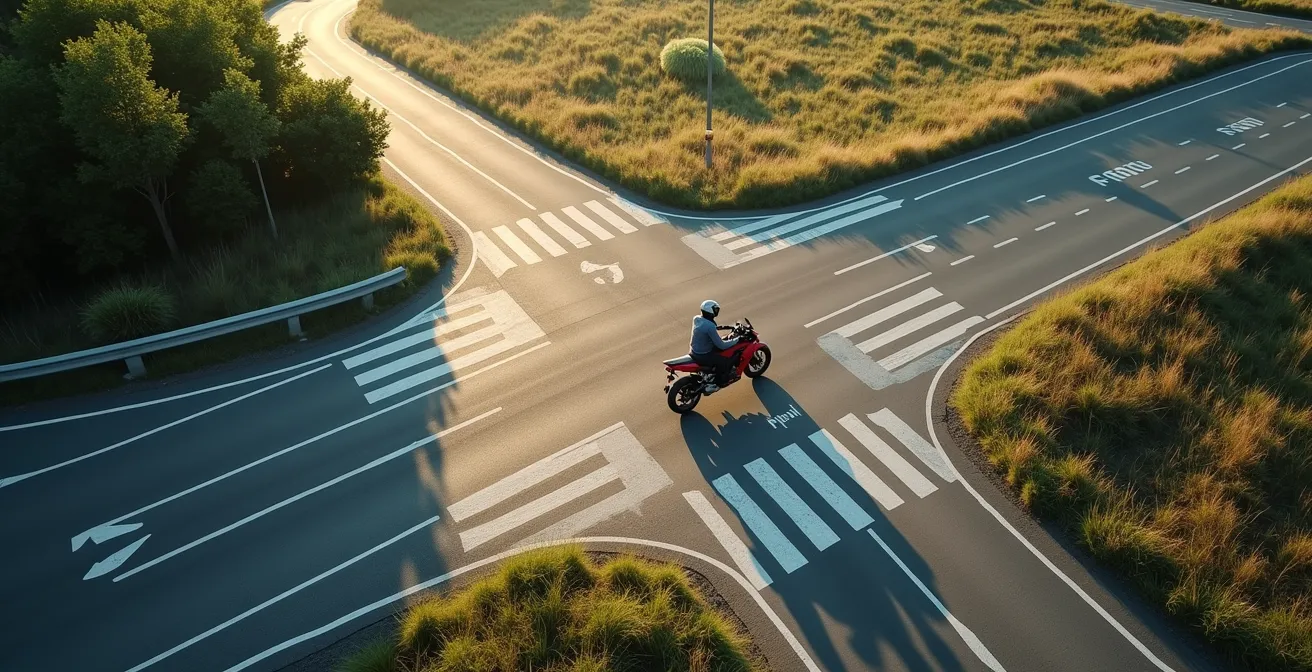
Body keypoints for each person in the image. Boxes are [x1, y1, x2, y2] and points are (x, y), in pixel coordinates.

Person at [689, 299, 738, 392]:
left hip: (694, 350)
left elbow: (706, 330)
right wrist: (736, 340)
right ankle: (717, 384)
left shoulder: (696, 319)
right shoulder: (710, 326)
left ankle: (710, 374)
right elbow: (722, 346)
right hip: (704, 355)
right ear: (711, 311)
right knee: (725, 362)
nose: (717, 311)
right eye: (715, 310)